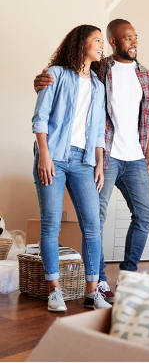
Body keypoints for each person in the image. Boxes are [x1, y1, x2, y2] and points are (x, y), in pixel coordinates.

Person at [34, 19, 149, 302]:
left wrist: (109, 162)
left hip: (105, 158)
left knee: (118, 219)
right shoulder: (85, 71)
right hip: (77, 154)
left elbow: (137, 121)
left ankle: (111, 283)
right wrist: (44, 156)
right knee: (68, 222)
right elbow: (46, 109)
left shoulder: (132, 78)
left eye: (135, 36)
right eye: (99, 41)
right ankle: (75, 287)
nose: (133, 41)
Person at [32, 25, 111, 312]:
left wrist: (100, 163)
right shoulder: (55, 75)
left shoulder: (99, 86)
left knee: (92, 226)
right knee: (51, 224)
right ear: (81, 45)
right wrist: (44, 156)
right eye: (97, 41)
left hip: (84, 161)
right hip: (53, 156)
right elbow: (40, 119)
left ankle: (92, 292)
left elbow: (99, 130)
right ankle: (55, 290)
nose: (102, 46)